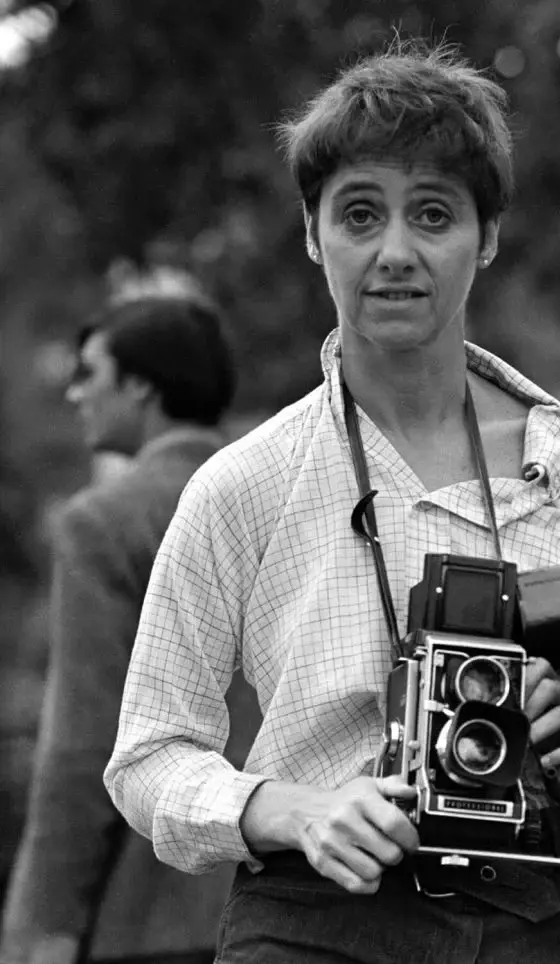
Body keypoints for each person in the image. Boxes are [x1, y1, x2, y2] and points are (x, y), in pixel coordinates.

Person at [104, 42, 560, 963]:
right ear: (312, 233)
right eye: (360, 214)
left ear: (489, 236)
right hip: (317, 923)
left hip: (556, 917)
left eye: (433, 214)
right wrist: (293, 810)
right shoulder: (245, 485)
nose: (395, 252)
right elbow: (149, 756)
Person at [0, 291, 261, 964]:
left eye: (90, 372)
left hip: (152, 917)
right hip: (288, 902)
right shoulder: (280, 500)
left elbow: (82, 747)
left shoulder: (105, 523)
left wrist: (42, 929)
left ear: (141, 385)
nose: (76, 393)